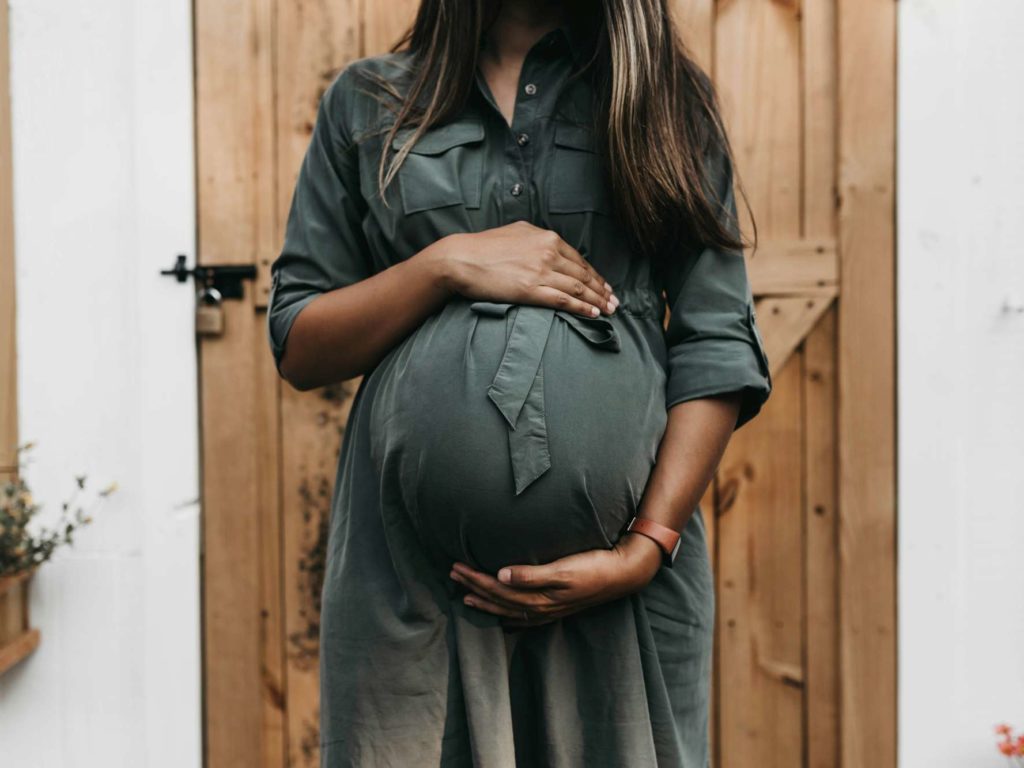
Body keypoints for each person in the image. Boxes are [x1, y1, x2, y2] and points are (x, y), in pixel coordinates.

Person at [267, 0, 772, 765]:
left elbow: (716, 340)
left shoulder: (663, 99)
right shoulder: (367, 103)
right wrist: (443, 265)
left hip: (623, 592)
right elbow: (301, 343)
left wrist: (644, 548)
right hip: (413, 590)